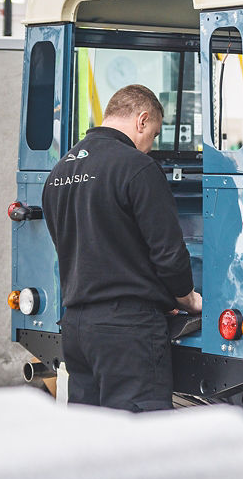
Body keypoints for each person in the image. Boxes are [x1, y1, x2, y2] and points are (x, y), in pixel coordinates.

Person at [42, 84, 202, 412]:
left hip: (76, 326)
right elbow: (168, 252)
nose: (150, 146)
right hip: (128, 331)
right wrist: (188, 298)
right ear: (142, 120)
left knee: (93, 433)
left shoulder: (59, 173)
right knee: (139, 440)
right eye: (154, 135)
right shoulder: (137, 168)